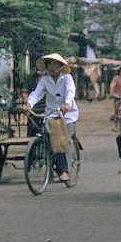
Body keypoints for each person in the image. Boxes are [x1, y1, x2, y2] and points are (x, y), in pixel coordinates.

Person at [25, 53, 78, 183]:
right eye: (50, 64)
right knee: (44, 137)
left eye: (55, 64)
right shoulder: (44, 80)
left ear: (60, 66)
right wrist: (29, 103)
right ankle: (47, 163)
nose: (52, 67)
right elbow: (37, 93)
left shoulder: (67, 78)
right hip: (51, 113)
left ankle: (64, 171)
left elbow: (71, 91)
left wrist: (67, 103)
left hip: (67, 114)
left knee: (59, 141)